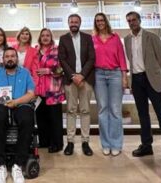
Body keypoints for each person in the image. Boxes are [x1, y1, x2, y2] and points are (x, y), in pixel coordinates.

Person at [124, 11, 161, 165]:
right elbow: (131, 60)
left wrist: (154, 73)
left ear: (139, 21)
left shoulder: (152, 37)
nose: (132, 22)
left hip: (151, 78)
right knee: (142, 114)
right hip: (137, 79)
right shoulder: (127, 40)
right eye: (129, 21)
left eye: (134, 20)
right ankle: (146, 145)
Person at [0, 47, 36, 183]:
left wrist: (16, 102)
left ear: (17, 58)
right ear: (3, 59)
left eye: (13, 56)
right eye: (7, 56)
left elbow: (31, 94)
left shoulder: (25, 73)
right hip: (1, 104)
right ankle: (0, 166)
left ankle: (17, 165)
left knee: (27, 119)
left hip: (21, 104)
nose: (10, 58)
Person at [58, 13, 95, 156]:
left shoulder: (88, 38)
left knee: (85, 111)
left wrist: (82, 75)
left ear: (80, 23)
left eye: (76, 21)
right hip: (70, 80)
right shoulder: (63, 39)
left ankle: (85, 142)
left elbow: (92, 58)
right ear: (68, 23)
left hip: (85, 80)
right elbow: (62, 59)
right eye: (71, 21)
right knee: (71, 111)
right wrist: (73, 75)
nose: (73, 23)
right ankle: (70, 142)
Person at [92, 12, 128, 157]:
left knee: (115, 110)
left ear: (106, 21)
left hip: (115, 74)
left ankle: (116, 144)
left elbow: (122, 57)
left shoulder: (115, 37)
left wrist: (124, 77)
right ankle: (106, 144)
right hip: (98, 75)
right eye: (97, 21)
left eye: (102, 20)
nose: (100, 22)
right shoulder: (92, 39)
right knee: (102, 110)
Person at [35, 28, 65, 153]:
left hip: (53, 88)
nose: (45, 37)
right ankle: (44, 141)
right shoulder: (36, 50)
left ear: (51, 37)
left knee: (54, 117)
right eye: (43, 35)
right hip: (39, 89)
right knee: (41, 116)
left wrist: (48, 71)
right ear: (40, 37)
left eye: (48, 35)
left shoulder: (57, 49)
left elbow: (62, 68)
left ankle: (56, 143)